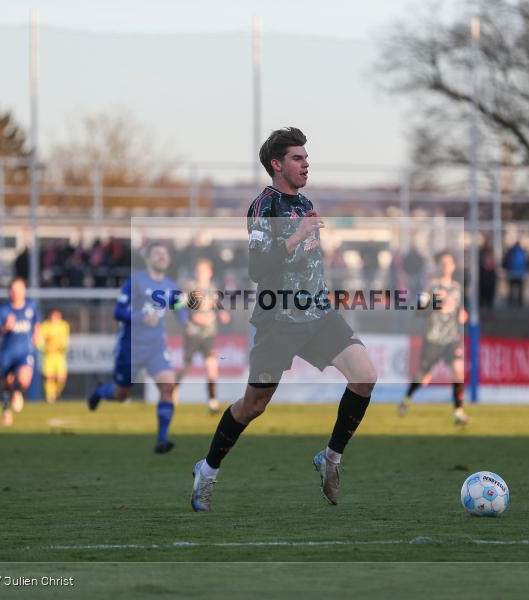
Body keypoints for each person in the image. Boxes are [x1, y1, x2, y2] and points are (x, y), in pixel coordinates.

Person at [190, 127, 378, 511]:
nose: (306, 163)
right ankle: (207, 471)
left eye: (306, 157)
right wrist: (295, 237)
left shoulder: (304, 202)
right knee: (253, 406)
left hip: (318, 314)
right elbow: (258, 267)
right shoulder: (265, 207)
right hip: (279, 320)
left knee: (365, 376)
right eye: (297, 158)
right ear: (277, 165)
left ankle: (330, 459)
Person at [87, 242, 187, 454]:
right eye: (157, 253)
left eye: (165, 253)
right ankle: (100, 392)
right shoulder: (135, 282)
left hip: (156, 347)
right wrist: (141, 317)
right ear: (148, 259)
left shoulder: (170, 286)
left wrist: (188, 323)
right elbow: (118, 313)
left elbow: (178, 307)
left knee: (168, 387)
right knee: (121, 394)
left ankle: (162, 439)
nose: (162, 257)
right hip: (130, 348)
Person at [399, 252, 468, 424]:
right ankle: (406, 399)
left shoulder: (458, 288)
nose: (446, 266)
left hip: (452, 338)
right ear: (439, 266)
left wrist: (462, 314)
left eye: (449, 262)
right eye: (443, 263)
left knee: (458, 371)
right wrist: (437, 306)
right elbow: (418, 311)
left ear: (453, 266)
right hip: (433, 339)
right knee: (423, 378)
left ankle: (458, 411)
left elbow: (459, 309)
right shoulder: (431, 287)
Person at [174, 258, 231, 414]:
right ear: (196, 272)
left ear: (210, 272)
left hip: (209, 334)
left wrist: (222, 314)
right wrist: (190, 318)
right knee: (186, 365)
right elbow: (177, 306)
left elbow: (217, 306)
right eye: (199, 270)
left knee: (211, 367)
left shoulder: (213, 289)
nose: (202, 273)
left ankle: (213, 403)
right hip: (192, 333)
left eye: (204, 270)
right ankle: (173, 389)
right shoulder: (190, 288)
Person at [0, 278, 40, 426]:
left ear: (24, 291)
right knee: (5, 384)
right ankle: (6, 411)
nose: (17, 293)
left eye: (20, 289)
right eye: (14, 290)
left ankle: (16, 392)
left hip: (25, 352)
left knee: (24, 380)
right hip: (8, 353)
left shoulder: (31, 307)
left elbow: (36, 323)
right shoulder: (3, 310)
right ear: (10, 292)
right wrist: (4, 328)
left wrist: (36, 334)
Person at [39, 309, 70, 403]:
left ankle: (57, 392)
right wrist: (44, 348)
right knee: (49, 377)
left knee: (61, 378)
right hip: (49, 356)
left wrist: (64, 347)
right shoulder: (45, 326)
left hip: (60, 356)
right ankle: (50, 396)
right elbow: (39, 340)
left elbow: (66, 339)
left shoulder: (64, 325)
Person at [502, 240, 528, 307]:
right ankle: (520, 303)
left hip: (512, 273)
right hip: (520, 273)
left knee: (511, 289)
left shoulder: (511, 251)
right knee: (520, 289)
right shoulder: (523, 251)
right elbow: (526, 262)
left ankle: (511, 303)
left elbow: (505, 262)